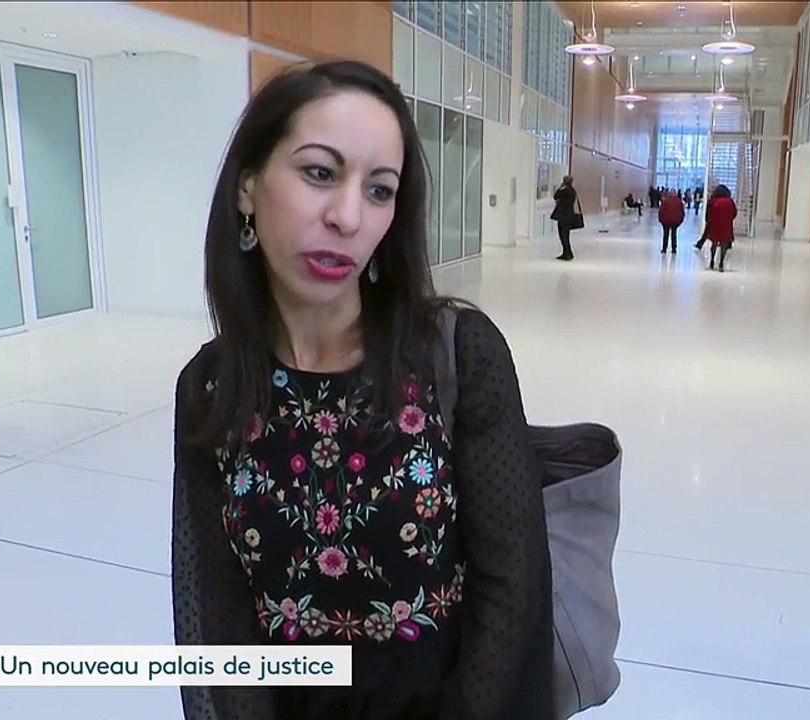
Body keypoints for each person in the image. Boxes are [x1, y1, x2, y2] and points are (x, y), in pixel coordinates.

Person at [171, 59, 554, 720]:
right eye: (320, 173)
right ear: (247, 186)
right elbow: (215, 612)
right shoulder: (211, 387)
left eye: (379, 191)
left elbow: (512, 589)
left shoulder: (458, 353)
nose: (348, 217)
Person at [700, 184, 737, 272]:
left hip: (715, 224)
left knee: (714, 243)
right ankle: (721, 263)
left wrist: (708, 222)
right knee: (724, 244)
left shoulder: (713, 201)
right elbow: (734, 213)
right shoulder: (730, 201)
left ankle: (712, 260)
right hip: (726, 225)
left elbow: (708, 214)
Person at [552, 176, 578, 261]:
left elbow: (555, 196)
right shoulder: (573, 191)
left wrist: (559, 188)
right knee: (566, 235)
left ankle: (568, 253)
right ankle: (567, 252)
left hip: (563, 216)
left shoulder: (564, 190)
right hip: (569, 216)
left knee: (563, 235)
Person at [658, 189, 685, 254]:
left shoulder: (665, 201)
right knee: (674, 234)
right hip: (675, 221)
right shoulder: (679, 202)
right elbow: (682, 212)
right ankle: (674, 249)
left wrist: (661, 220)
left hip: (666, 221)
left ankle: (664, 249)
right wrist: (680, 221)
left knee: (665, 234)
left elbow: (661, 211)